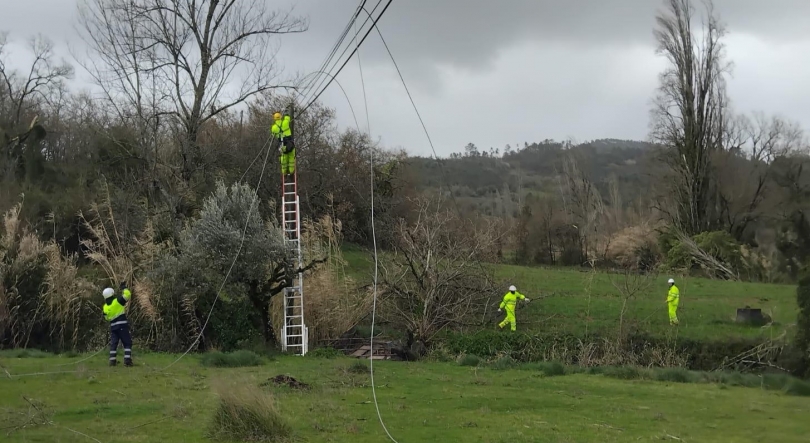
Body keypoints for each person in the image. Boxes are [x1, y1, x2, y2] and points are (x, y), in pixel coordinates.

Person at [103, 282, 133, 367]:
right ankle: (127, 361)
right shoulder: (117, 301)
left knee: (114, 344)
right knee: (127, 343)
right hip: (122, 326)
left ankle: (112, 361)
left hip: (113, 327)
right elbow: (128, 295)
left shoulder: (105, 307)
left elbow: (106, 318)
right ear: (112, 294)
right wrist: (124, 288)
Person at [271, 112, 295, 177]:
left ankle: (284, 172)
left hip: (282, 144)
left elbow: (273, 134)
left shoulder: (274, 127)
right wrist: (286, 113)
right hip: (289, 143)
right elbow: (287, 118)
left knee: (283, 157)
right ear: (280, 117)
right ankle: (291, 171)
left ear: (274, 119)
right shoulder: (285, 122)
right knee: (291, 157)